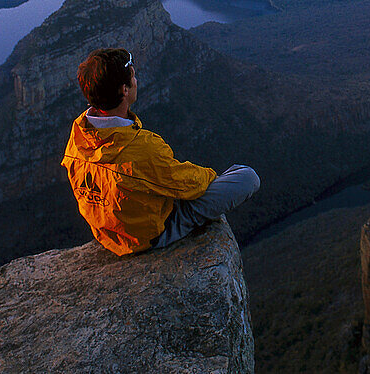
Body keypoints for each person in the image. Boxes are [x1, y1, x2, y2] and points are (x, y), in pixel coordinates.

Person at [61, 47, 259, 255]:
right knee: (246, 177)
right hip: (149, 235)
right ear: (124, 90)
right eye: (133, 77)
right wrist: (213, 178)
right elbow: (188, 185)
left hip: (108, 233)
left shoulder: (78, 134)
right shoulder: (142, 148)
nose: (137, 81)